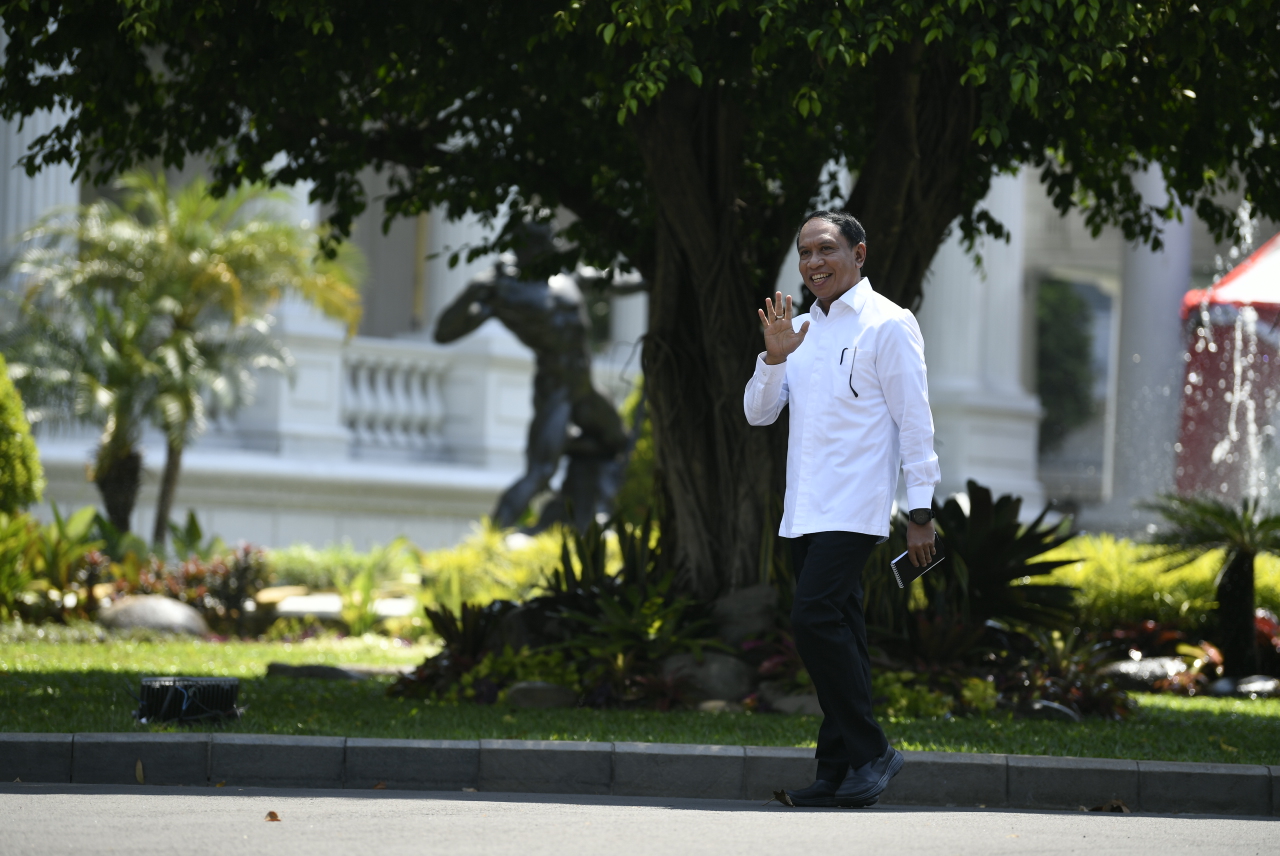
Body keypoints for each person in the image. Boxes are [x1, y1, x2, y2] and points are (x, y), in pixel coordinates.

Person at [743, 210, 940, 808]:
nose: (813, 262)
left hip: (855, 507)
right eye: (805, 253)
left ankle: (873, 751)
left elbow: (915, 421)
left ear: (859, 253)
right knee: (843, 634)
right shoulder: (798, 330)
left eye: (826, 249)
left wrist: (921, 511)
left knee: (812, 620)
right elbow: (758, 414)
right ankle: (837, 772)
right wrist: (774, 358)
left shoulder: (889, 324)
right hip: (803, 509)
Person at [434, 226, 629, 532]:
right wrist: (472, 291)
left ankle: (584, 509)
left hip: (584, 387)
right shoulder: (504, 290)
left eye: (551, 239)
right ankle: (492, 536)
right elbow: (444, 333)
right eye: (542, 241)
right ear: (524, 246)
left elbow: (615, 281)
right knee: (540, 472)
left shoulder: (565, 276)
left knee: (615, 441)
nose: (552, 245)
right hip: (555, 389)